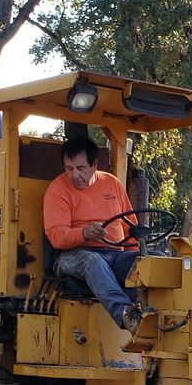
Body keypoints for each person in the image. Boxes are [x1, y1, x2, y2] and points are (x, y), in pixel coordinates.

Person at [43, 136, 150, 331]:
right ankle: (127, 316)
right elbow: (56, 236)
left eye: (81, 169)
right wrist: (84, 233)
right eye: (69, 169)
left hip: (116, 254)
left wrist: (140, 259)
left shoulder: (112, 184)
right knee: (93, 261)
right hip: (73, 256)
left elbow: (130, 228)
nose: (75, 175)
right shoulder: (57, 190)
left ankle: (157, 315)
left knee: (153, 261)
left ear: (94, 165)